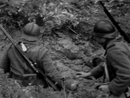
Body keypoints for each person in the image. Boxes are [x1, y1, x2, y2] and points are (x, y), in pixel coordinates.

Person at [0, 22, 78, 90]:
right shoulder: (42, 52)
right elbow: (52, 74)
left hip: (15, 87)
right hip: (35, 89)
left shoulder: (12, 47)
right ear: (38, 36)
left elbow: (3, 68)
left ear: (22, 33)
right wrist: (69, 85)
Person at [76, 19, 130, 98]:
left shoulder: (114, 51)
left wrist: (110, 87)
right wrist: (90, 73)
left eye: (97, 37)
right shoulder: (118, 44)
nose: (96, 40)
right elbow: (106, 64)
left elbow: (126, 74)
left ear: (104, 38)